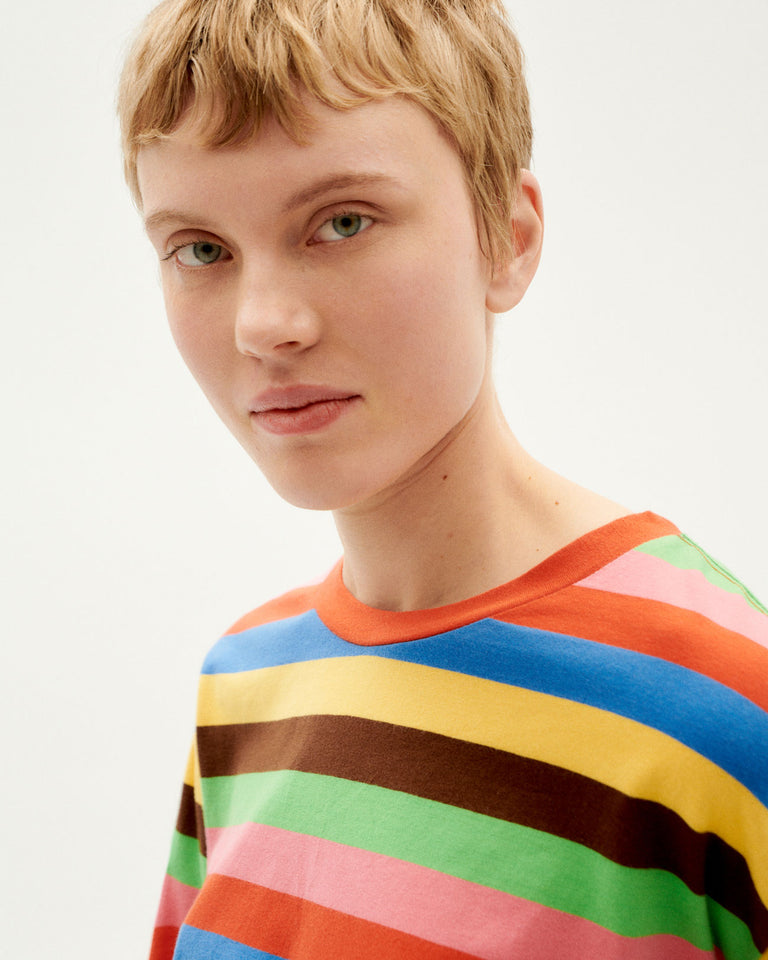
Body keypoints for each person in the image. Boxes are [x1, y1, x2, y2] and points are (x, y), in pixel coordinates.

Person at [118, 0, 768, 957]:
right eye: (201, 249)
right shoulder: (243, 689)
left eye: (342, 222)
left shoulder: (724, 708)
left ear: (508, 236)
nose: (264, 324)